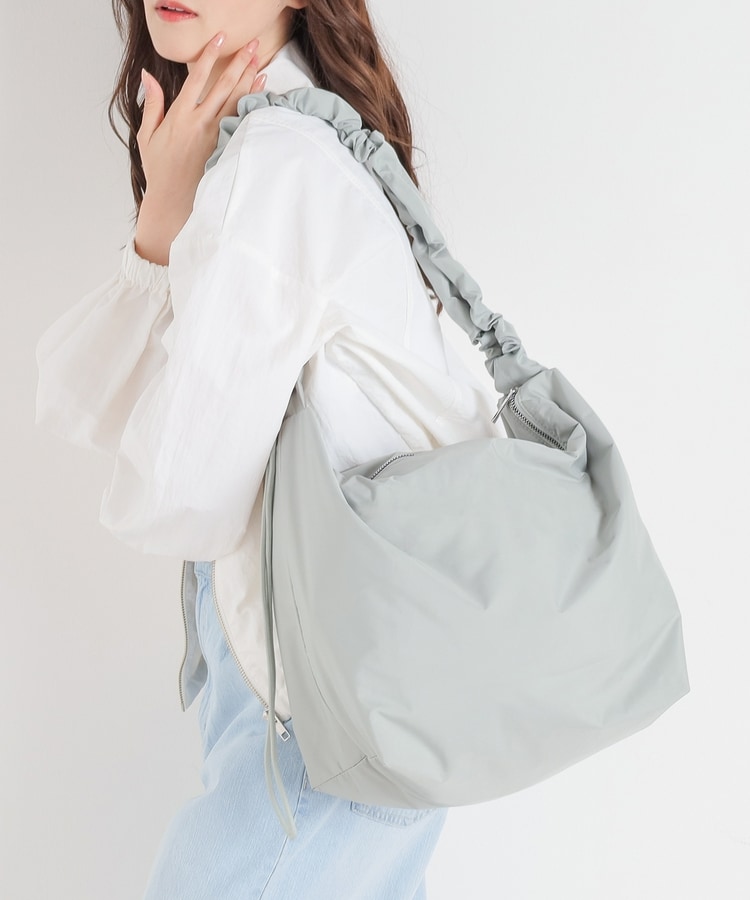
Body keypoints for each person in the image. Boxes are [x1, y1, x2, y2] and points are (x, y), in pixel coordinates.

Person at [35, 0, 499, 897]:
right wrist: (165, 219)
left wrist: (168, 217)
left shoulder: (278, 160)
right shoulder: (295, 135)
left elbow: (179, 493)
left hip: (321, 723)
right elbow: (103, 406)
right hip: (350, 701)